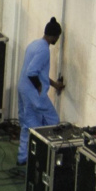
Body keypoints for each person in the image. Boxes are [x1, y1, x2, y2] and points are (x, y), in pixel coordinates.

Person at [17, 17, 65, 165]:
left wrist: (55, 85)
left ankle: (22, 157)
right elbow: (32, 72)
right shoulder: (44, 50)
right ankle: (48, 157)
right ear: (53, 36)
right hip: (34, 94)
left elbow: (38, 72)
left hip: (23, 89)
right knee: (53, 121)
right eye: (57, 36)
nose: (57, 39)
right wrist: (39, 87)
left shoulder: (34, 44)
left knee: (28, 124)